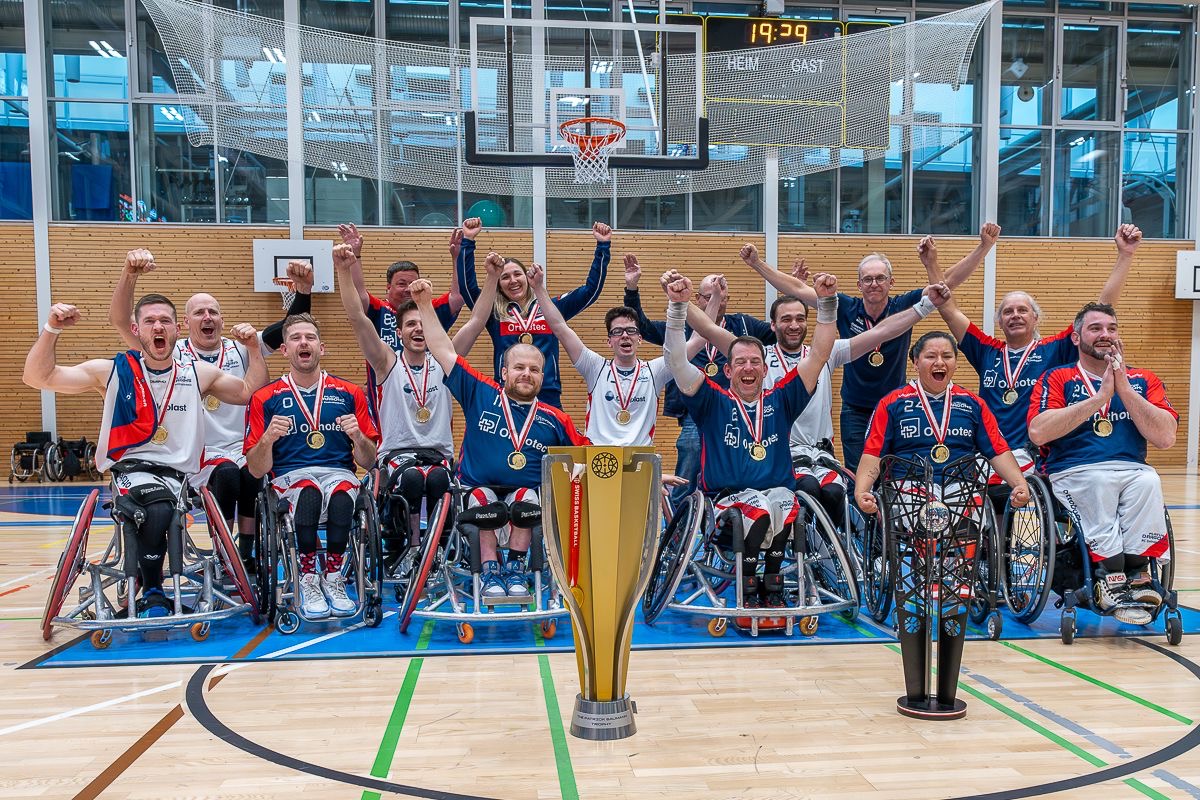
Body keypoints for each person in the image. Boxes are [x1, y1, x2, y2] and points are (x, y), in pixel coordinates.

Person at [24, 297, 267, 617]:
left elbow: (249, 392)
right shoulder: (113, 371)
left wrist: (253, 348)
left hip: (178, 475)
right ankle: (153, 590)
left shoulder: (197, 373)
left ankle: (153, 580)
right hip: (130, 471)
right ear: (136, 330)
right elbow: (38, 377)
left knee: (168, 502)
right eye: (150, 321)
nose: (158, 327)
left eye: (165, 320)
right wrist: (51, 328)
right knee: (156, 506)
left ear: (176, 329)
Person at [107, 248, 314, 569]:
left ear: (222, 320)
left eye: (213, 312)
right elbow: (121, 322)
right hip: (198, 453)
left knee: (252, 476)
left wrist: (303, 291)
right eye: (199, 312)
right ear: (184, 323)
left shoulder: (241, 347)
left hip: (241, 447)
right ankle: (223, 552)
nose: (207, 317)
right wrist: (129, 274)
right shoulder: (170, 353)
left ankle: (246, 554)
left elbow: (291, 326)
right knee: (228, 476)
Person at [687, 279, 952, 530]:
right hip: (782, 456)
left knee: (835, 492)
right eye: (786, 319)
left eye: (800, 318)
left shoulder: (824, 353)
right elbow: (709, 329)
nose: (794, 325)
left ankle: (832, 550)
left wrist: (925, 305)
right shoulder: (757, 358)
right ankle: (805, 545)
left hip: (821, 453)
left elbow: (882, 331)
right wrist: (680, 302)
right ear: (773, 325)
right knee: (809, 489)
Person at [738, 225, 1000, 472]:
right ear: (859, 285)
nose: (874, 284)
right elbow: (796, 288)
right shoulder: (846, 307)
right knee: (857, 475)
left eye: (880, 278)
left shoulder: (903, 305)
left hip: (895, 405)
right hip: (855, 409)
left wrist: (983, 247)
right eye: (868, 279)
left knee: (895, 470)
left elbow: (946, 284)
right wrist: (757, 264)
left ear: (891, 282)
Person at [660, 269, 837, 618]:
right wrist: (677, 309)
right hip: (726, 501)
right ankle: (749, 583)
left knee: (785, 503)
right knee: (760, 508)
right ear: (728, 371)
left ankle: (772, 582)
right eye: (740, 361)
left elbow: (818, 354)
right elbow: (676, 362)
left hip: (776, 494)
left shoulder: (782, 399)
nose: (748, 367)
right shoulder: (712, 401)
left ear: (764, 370)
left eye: (755, 361)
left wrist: (827, 304)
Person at [410, 277, 588, 599]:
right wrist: (424, 304)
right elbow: (443, 350)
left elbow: (590, 455)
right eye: (519, 367)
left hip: (523, 498)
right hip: (476, 490)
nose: (526, 374)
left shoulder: (555, 418)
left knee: (528, 500)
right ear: (504, 372)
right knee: (484, 500)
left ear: (542, 377)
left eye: (534, 370)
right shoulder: (480, 392)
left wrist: (643, 472)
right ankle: (491, 571)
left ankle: (516, 568)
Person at [919, 224, 1140, 478]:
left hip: (1035, 455)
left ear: (1035, 318)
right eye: (1008, 312)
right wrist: (931, 264)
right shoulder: (986, 350)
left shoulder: (1054, 349)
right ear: (999, 322)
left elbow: (1100, 310)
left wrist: (1125, 255)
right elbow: (947, 309)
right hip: (990, 453)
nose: (1015, 315)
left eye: (1022, 310)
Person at [333, 241, 498, 573]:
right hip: (397, 457)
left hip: (438, 456)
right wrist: (343, 270)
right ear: (399, 332)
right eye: (410, 324)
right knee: (410, 480)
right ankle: (407, 548)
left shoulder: (446, 361)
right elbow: (357, 318)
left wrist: (492, 277)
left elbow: (478, 320)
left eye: (422, 322)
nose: (418, 328)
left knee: (437, 480)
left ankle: (435, 551)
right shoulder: (386, 362)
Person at [1028, 303, 1177, 626]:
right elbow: (1038, 432)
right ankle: (1110, 578)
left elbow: (1165, 437)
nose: (1105, 334)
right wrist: (1099, 398)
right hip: (1075, 470)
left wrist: (1123, 388)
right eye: (1095, 328)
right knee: (1099, 482)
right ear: (1076, 337)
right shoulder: (1058, 377)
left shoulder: (1143, 379)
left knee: (1149, 480)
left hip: (1132, 468)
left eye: (1111, 328)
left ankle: (1137, 575)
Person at [244, 314, 381, 619]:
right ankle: (307, 578)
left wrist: (358, 436)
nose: (303, 343)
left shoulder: (349, 393)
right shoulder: (265, 398)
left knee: (343, 493)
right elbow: (255, 469)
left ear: (322, 347)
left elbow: (369, 461)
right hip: (290, 476)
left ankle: (333, 577)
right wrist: (267, 439)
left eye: (310, 337)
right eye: (295, 338)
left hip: (339, 474)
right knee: (309, 492)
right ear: (284, 350)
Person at [622, 255, 775, 508]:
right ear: (698, 299)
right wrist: (631, 288)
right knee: (691, 447)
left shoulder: (743, 325)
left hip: (735, 409)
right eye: (711, 295)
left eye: (722, 295)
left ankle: (737, 509)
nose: (718, 299)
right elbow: (643, 327)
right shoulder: (682, 327)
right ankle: (679, 515)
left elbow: (780, 331)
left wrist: (795, 290)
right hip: (696, 409)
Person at [455, 216, 611, 408]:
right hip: (508, 396)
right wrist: (468, 241)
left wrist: (603, 246)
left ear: (527, 277)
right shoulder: (494, 313)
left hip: (548, 396)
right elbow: (467, 288)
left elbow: (590, 291)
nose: (513, 280)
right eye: (505, 277)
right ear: (499, 285)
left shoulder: (551, 309)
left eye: (517, 274)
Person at [336, 222, 465, 419]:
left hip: (429, 397)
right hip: (388, 399)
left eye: (412, 283)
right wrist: (355, 256)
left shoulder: (428, 311)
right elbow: (358, 295)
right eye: (401, 284)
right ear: (388, 288)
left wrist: (458, 258)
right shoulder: (379, 310)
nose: (407, 289)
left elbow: (458, 297)